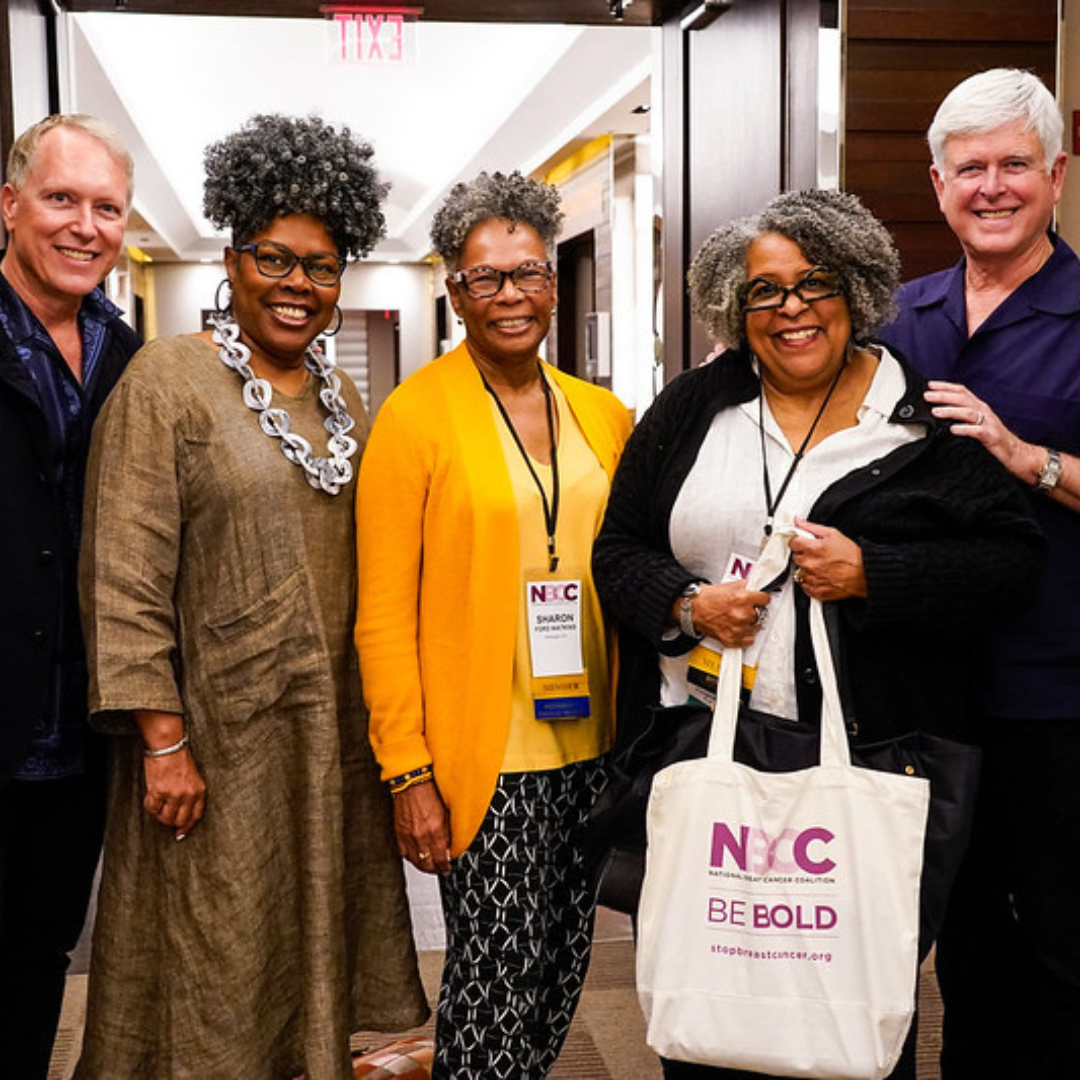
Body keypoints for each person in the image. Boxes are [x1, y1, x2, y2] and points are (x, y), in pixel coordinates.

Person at [591, 188, 1043, 1080]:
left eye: (815, 283)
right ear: (736, 306)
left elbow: (1010, 562)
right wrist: (686, 606)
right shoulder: (691, 409)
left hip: (869, 759)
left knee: (850, 1014)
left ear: (858, 289)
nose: (791, 308)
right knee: (705, 999)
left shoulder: (922, 420)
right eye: (764, 290)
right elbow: (618, 549)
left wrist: (877, 573)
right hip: (703, 749)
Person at [74, 114, 428, 1079]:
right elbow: (123, 574)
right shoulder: (168, 380)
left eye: (321, 267)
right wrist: (163, 743)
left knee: (298, 947)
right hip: (210, 744)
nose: (297, 285)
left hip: (322, 739)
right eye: (275, 259)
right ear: (233, 260)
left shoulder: (341, 398)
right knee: (214, 952)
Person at [356, 170, 631, 1079]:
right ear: (455, 289)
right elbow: (382, 614)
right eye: (487, 277)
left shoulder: (602, 414)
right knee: (493, 981)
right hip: (485, 756)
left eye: (529, 272)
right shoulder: (415, 417)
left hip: (591, 741)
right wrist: (408, 771)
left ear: (553, 281)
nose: (511, 294)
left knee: (560, 971)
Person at [879, 67, 1080, 1078]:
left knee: (1063, 946)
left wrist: (1023, 456)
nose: (991, 187)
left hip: (1058, 695)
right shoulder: (896, 319)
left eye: (1014, 165)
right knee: (958, 947)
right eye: (969, 169)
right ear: (937, 183)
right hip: (926, 695)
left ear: (1056, 174)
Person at [0, 113, 139, 1079]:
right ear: (10, 204)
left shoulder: (125, 354)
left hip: (75, 735)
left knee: (39, 954)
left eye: (107, 207)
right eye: (61, 199)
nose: (85, 226)